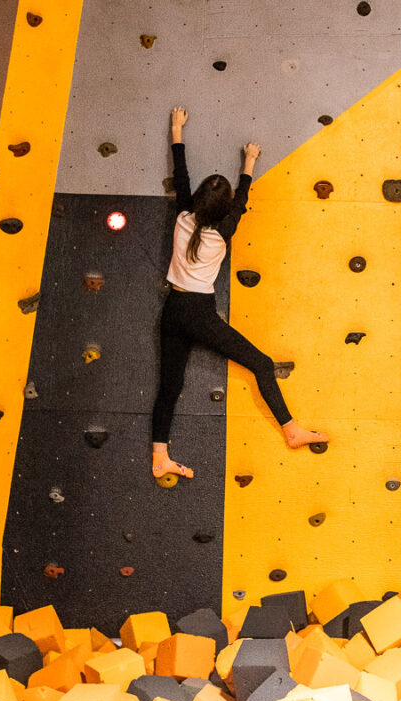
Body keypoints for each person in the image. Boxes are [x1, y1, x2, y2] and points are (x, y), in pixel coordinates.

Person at [151, 106, 327, 480]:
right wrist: (249, 160)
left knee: (170, 386)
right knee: (261, 364)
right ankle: (291, 430)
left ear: (197, 199)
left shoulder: (183, 215)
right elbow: (242, 200)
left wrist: (176, 129)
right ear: (223, 208)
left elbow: (180, 174)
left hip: (173, 310)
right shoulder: (223, 232)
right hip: (198, 314)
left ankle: (160, 457)